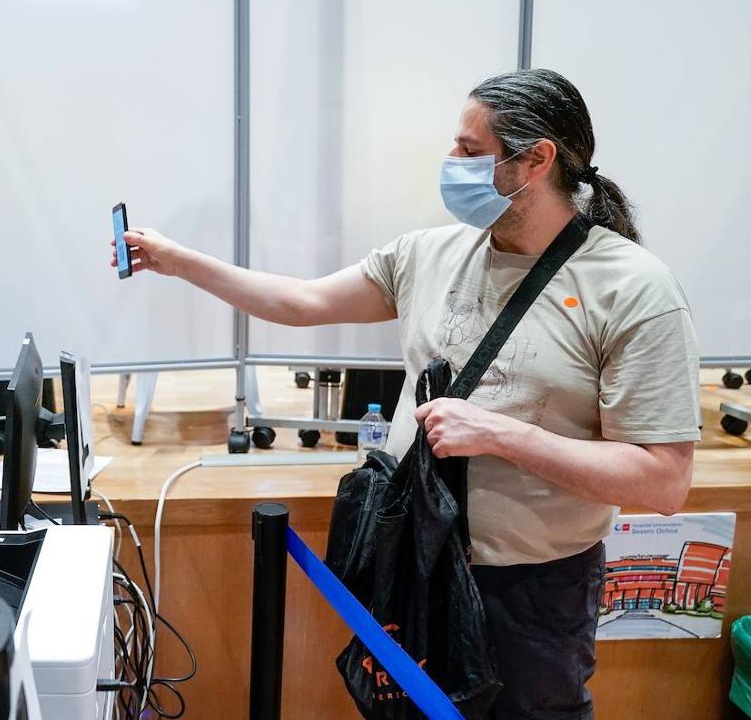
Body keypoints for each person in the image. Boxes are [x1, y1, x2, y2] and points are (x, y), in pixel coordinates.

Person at [113, 68, 700, 718]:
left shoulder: (634, 290)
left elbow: (662, 481)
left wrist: (503, 435)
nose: (450, 163)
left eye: (470, 151)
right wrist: (178, 261)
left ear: (536, 160)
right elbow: (301, 300)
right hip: (416, 565)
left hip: (532, 591)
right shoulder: (430, 253)